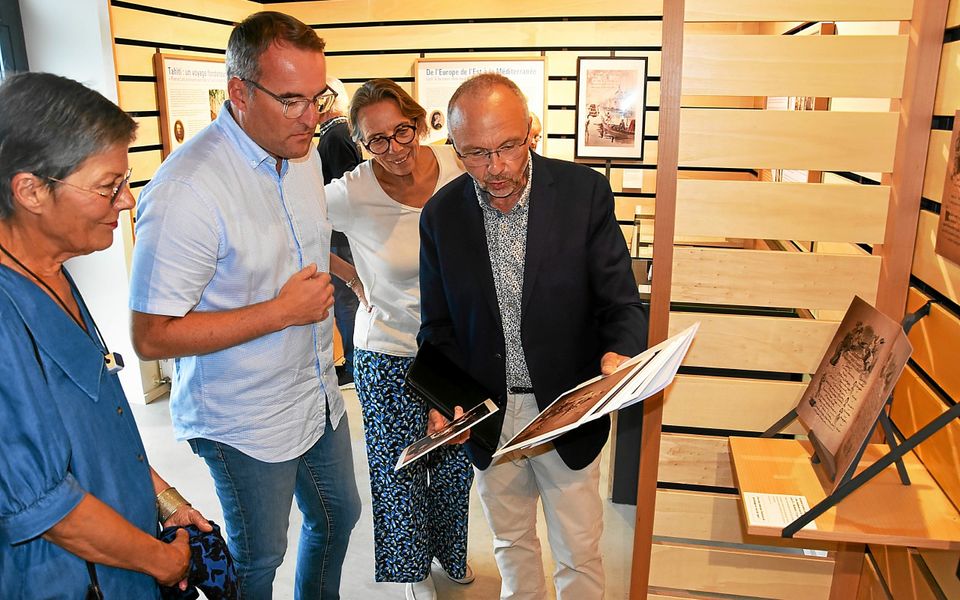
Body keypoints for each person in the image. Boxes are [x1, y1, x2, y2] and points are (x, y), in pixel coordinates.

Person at [128, 11, 361, 599]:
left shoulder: (301, 152)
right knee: (260, 559)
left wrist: (345, 272)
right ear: (238, 91)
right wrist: (281, 312)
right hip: (243, 419)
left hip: (313, 394)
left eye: (319, 96)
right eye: (291, 100)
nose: (313, 118)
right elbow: (151, 335)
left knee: (340, 517)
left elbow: (295, 243)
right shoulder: (187, 190)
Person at [418, 73, 648, 599]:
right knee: (512, 545)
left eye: (507, 147)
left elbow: (621, 302)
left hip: (567, 406)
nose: (494, 168)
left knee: (579, 549)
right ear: (454, 149)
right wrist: (446, 400)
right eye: (475, 153)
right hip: (489, 413)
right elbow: (438, 328)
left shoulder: (582, 192)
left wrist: (619, 356)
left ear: (532, 133)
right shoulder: (441, 216)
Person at [0, 72, 212, 598]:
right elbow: (45, 507)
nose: (126, 202)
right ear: (30, 191)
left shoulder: (49, 268)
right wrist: (162, 562)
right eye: (107, 186)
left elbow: (96, 429)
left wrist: (162, 499)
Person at [325, 78, 472, 600]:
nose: (394, 149)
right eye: (377, 140)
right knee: (400, 465)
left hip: (455, 350)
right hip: (386, 350)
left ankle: (450, 552)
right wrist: (349, 275)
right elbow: (291, 228)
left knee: (455, 461)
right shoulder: (354, 192)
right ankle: (411, 570)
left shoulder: (458, 170)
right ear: (361, 143)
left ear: (418, 120)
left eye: (401, 131)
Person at [318, 76, 362, 387]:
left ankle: (353, 365)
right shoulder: (340, 134)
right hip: (341, 234)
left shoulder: (335, 137)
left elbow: (346, 187)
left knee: (346, 300)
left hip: (340, 236)